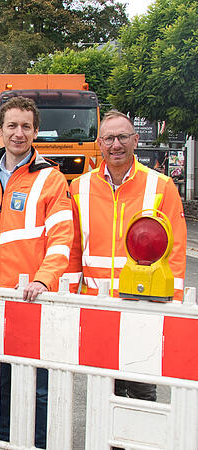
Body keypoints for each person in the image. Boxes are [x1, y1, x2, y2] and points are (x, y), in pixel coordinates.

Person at [68, 110, 187, 401]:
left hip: (143, 307)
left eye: (122, 137)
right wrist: (69, 300)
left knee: (140, 391)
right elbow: (72, 250)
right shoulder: (79, 187)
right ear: (99, 143)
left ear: (135, 141)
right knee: (102, 391)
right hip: (96, 307)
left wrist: (173, 306)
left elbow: (176, 250)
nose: (115, 144)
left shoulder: (161, 186)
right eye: (109, 138)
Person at [0, 97, 74, 448]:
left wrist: (42, 279)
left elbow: (62, 239)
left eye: (26, 127)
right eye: (12, 126)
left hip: (33, 297)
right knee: (0, 380)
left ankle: (39, 443)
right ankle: (5, 441)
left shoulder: (50, 179)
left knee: (39, 383)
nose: (19, 134)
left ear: (36, 131)